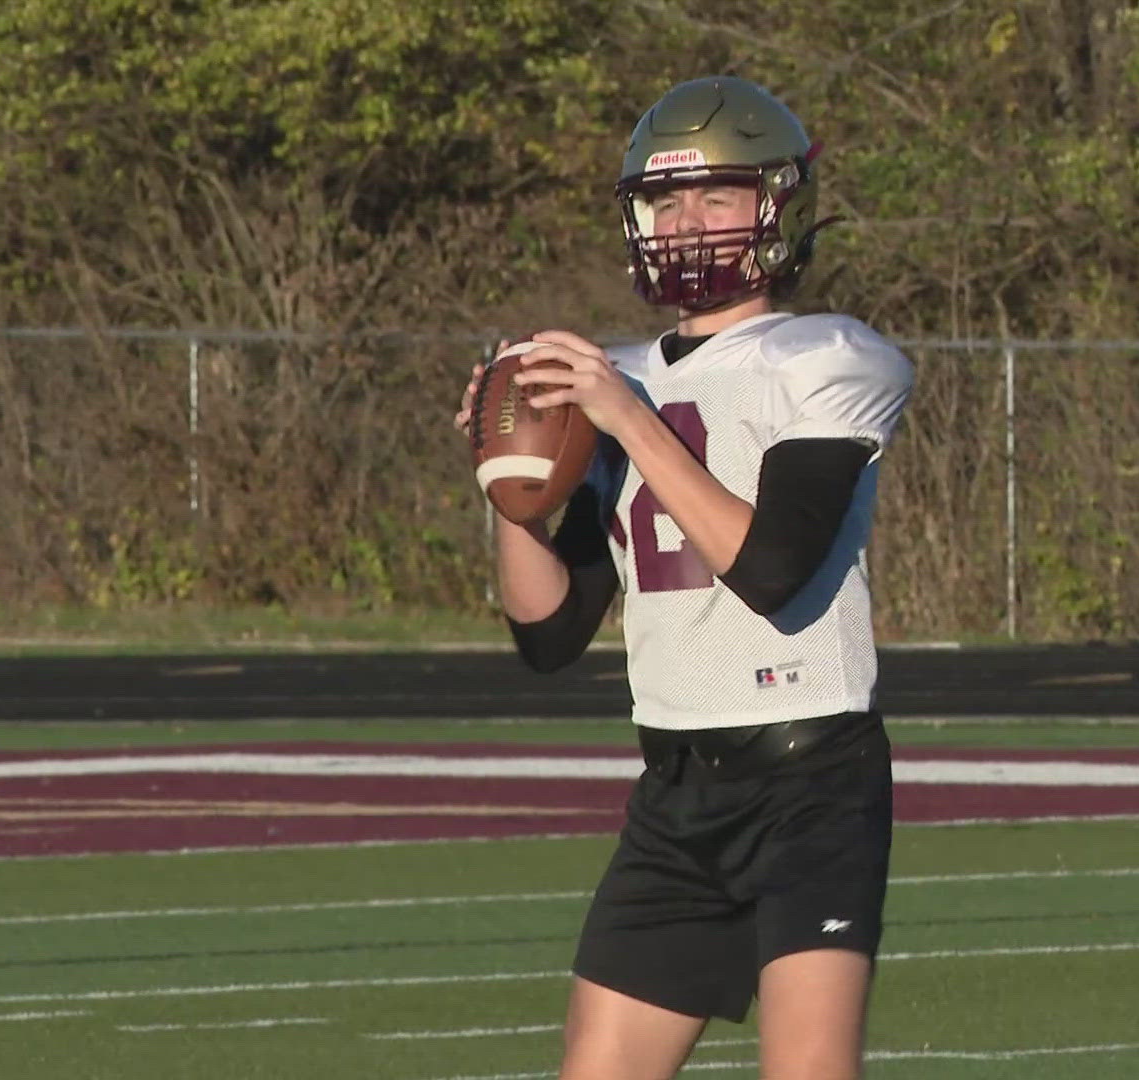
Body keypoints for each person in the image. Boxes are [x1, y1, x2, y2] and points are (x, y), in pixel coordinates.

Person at [453, 76, 914, 1080]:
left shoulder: (827, 358)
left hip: (810, 782)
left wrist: (624, 419)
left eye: (716, 198)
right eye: (666, 202)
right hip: (673, 792)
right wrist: (513, 483)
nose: (686, 224)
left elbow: (773, 570)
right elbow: (550, 632)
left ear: (776, 211)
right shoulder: (618, 376)